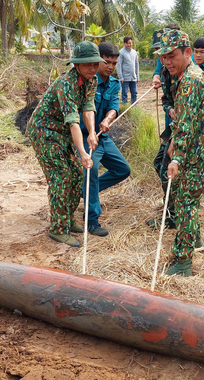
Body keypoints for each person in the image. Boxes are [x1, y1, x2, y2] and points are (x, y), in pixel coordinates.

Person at [155, 29, 204, 277]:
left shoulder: (191, 81)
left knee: (185, 202)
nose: (166, 62)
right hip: (200, 147)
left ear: (188, 53)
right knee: (182, 194)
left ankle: (183, 262)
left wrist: (176, 157)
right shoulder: (186, 76)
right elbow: (186, 122)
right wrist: (176, 143)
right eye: (163, 57)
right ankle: (193, 238)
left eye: (171, 56)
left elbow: (186, 126)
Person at [25, 41, 103, 247]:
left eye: (95, 64)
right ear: (76, 65)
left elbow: (87, 108)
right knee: (61, 177)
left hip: (62, 132)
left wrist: (92, 133)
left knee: (77, 175)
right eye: (88, 65)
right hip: (45, 131)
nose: (93, 68)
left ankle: (67, 219)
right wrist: (83, 152)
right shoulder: (66, 84)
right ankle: (58, 228)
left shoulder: (91, 80)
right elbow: (73, 120)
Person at [79, 42, 131, 237]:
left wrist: (108, 120)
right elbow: (86, 110)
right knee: (91, 171)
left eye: (114, 63)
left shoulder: (114, 84)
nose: (110, 66)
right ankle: (91, 220)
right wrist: (92, 130)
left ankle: (87, 191)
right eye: (107, 62)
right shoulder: (87, 81)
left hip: (103, 135)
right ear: (98, 60)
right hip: (85, 135)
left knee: (122, 170)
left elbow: (114, 107)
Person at [147, 25, 180, 230]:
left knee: (170, 171)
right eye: (160, 54)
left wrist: (176, 139)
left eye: (168, 54)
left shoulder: (185, 73)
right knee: (160, 164)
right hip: (173, 127)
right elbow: (167, 100)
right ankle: (171, 214)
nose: (164, 59)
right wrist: (169, 110)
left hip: (184, 132)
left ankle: (175, 218)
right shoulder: (166, 69)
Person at [117, 36, 139, 104]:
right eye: (127, 43)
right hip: (125, 78)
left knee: (134, 92)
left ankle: (134, 107)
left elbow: (136, 64)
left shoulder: (134, 52)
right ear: (124, 43)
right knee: (124, 93)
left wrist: (137, 77)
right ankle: (125, 107)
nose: (129, 45)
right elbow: (119, 65)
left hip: (133, 77)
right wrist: (121, 77)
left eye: (130, 43)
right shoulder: (121, 52)